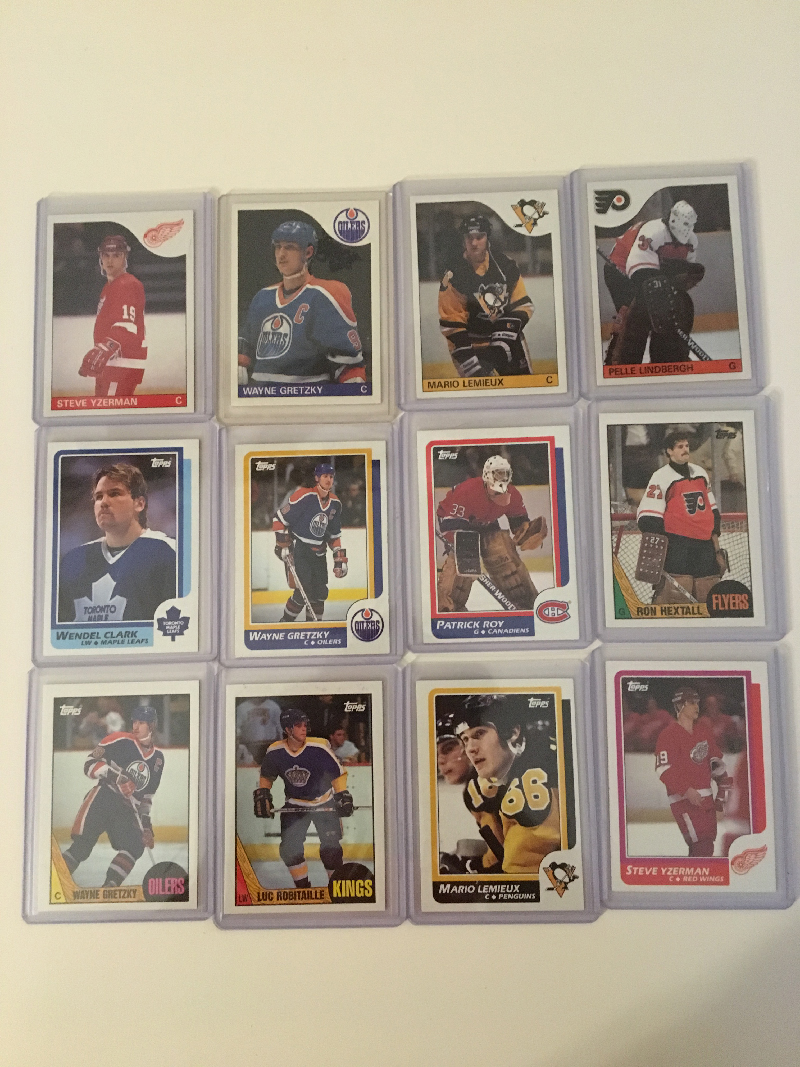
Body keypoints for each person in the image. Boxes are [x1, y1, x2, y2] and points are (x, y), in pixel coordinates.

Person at [441, 695, 562, 875]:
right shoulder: (481, 784)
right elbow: (499, 852)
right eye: (465, 739)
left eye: (479, 734)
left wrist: (477, 875)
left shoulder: (535, 770)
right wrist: (478, 866)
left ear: (513, 732)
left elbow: (521, 870)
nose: (471, 748)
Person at [238, 220, 366, 388]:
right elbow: (246, 342)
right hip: (262, 394)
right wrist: (238, 363)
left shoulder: (324, 295)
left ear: (308, 252)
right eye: (278, 247)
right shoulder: (262, 297)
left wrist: (353, 385)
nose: (281, 255)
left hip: (307, 395)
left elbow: (348, 365)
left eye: (289, 247)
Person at [58, 462, 177, 622]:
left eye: (114, 494)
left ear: (139, 503)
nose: (103, 502)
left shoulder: (168, 552)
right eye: (98, 497)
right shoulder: (73, 560)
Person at [61, 706, 164, 887]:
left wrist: (146, 826)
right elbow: (89, 765)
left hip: (126, 809)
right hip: (104, 797)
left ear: (152, 725)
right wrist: (117, 777)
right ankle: (55, 878)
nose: (135, 726)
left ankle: (110, 887)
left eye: (141, 722)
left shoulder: (158, 759)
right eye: (134, 721)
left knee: (135, 845)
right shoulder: (118, 740)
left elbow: (146, 797)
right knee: (82, 847)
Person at [252, 709, 354, 889]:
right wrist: (263, 792)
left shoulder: (319, 748)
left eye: (305, 724)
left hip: (323, 801)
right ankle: (303, 888)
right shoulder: (275, 751)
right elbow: (267, 775)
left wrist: (341, 794)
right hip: (295, 803)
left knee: (331, 850)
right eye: (298, 725)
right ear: (287, 729)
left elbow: (337, 773)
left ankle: (336, 887)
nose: (304, 728)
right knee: (290, 849)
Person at [436, 454, 547, 612]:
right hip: (457, 521)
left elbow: (518, 523)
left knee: (501, 549)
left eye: (504, 474)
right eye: (497, 474)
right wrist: (464, 549)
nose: (501, 479)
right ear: (487, 476)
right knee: (462, 561)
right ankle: (447, 606)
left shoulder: (512, 494)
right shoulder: (468, 491)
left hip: (486, 523)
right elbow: (450, 522)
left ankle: (524, 602)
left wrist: (526, 531)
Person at [602, 200, 705, 366]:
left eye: (691, 225)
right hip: (620, 267)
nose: (688, 229)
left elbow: (676, 277)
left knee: (674, 307)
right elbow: (639, 273)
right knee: (633, 312)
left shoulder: (691, 241)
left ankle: (667, 357)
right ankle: (621, 361)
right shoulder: (653, 231)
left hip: (652, 272)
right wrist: (660, 300)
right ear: (674, 220)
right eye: (686, 224)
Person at [636, 431, 728, 605]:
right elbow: (648, 517)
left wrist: (715, 543)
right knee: (677, 594)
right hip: (678, 544)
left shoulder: (700, 473)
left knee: (707, 591)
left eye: (686, 446)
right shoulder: (661, 476)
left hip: (704, 544)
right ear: (669, 451)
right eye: (680, 447)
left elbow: (712, 510)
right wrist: (666, 545)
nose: (685, 449)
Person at [438, 214, 534, 378]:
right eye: (469, 237)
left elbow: (523, 305)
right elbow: (452, 323)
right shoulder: (454, 275)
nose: (474, 243)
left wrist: (504, 335)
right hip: (469, 346)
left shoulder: (505, 266)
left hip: (507, 340)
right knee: (481, 392)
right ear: (463, 240)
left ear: (488, 238)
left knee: (525, 387)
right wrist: (469, 358)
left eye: (479, 237)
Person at [654, 688, 732, 857]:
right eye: (691, 703)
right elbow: (663, 769)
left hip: (707, 802)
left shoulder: (703, 732)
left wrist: (722, 794)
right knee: (702, 845)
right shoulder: (668, 735)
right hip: (684, 802)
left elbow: (717, 766)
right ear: (680, 706)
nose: (696, 706)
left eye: (697, 702)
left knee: (705, 847)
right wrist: (686, 790)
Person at [272, 462, 347, 623]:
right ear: (317, 478)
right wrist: (282, 544)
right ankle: (285, 623)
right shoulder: (304, 496)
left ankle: (314, 626)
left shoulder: (335, 503)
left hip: (319, 554)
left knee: (320, 593)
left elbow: (333, 535)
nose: (328, 479)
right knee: (303, 591)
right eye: (325, 476)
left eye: (331, 476)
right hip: (300, 550)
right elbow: (279, 519)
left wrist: (339, 559)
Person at [78, 234, 148, 397]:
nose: (110, 261)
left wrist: (105, 348)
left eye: (116, 255)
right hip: (114, 364)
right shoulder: (110, 286)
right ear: (100, 258)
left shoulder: (126, 284)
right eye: (106, 255)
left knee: (109, 410)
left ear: (125, 257)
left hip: (120, 365)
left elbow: (126, 326)